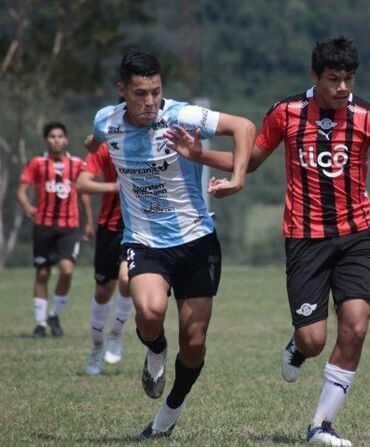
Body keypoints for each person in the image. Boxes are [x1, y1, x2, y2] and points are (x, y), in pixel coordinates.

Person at [166, 36, 370, 446]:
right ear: (315, 76)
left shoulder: (369, 117)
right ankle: (298, 345)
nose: (343, 88)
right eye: (334, 79)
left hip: (356, 236)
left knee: (355, 326)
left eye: (348, 79)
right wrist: (199, 155)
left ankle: (320, 427)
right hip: (305, 240)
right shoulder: (286, 113)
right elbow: (251, 162)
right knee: (314, 340)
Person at [85, 48, 255, 439]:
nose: (149, 102)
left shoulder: (180, 115)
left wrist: (239, 178)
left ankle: (168, 415)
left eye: (155, 92)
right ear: (121, 91)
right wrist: (92, 144)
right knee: (149, 309)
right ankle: (156, 350)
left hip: (197, 241)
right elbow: (95, 136)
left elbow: (244, 127)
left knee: (194, 343)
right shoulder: (106, 120)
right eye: (140, 93)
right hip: (144, 241)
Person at [17, 122, 94, 338]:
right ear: (46, 140)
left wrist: (89, 221)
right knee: (42, 273)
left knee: (67, 270)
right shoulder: (37, 163)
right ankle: (40, 324)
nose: (56, 140)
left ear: (66, 139)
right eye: (52, 136)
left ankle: (55, 314)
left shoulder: (77, 164)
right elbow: (22, 191)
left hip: (69, 227)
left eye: (60, 136)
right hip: (43, 225)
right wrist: (27, 207)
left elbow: (84, 192)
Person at [77, 141, 133, 375]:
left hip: (139, 226)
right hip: (109, 228)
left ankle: (116, 335)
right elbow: (82, 184)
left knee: (128, 278)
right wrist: (114, 187)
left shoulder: (155, 140)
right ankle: (97, 347)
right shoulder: (106, 146)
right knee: (103, 291)